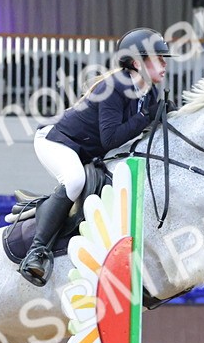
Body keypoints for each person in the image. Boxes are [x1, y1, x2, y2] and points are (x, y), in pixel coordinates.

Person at [18, 28, 170, 286]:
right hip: (57, 142)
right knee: (75, 180)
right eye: (158, 58)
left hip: (89, 151)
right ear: (136, 63)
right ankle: (37, 251)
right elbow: (109, 138)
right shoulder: (114, 87)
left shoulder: (150, 92)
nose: (165, 64)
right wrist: (145, 118)